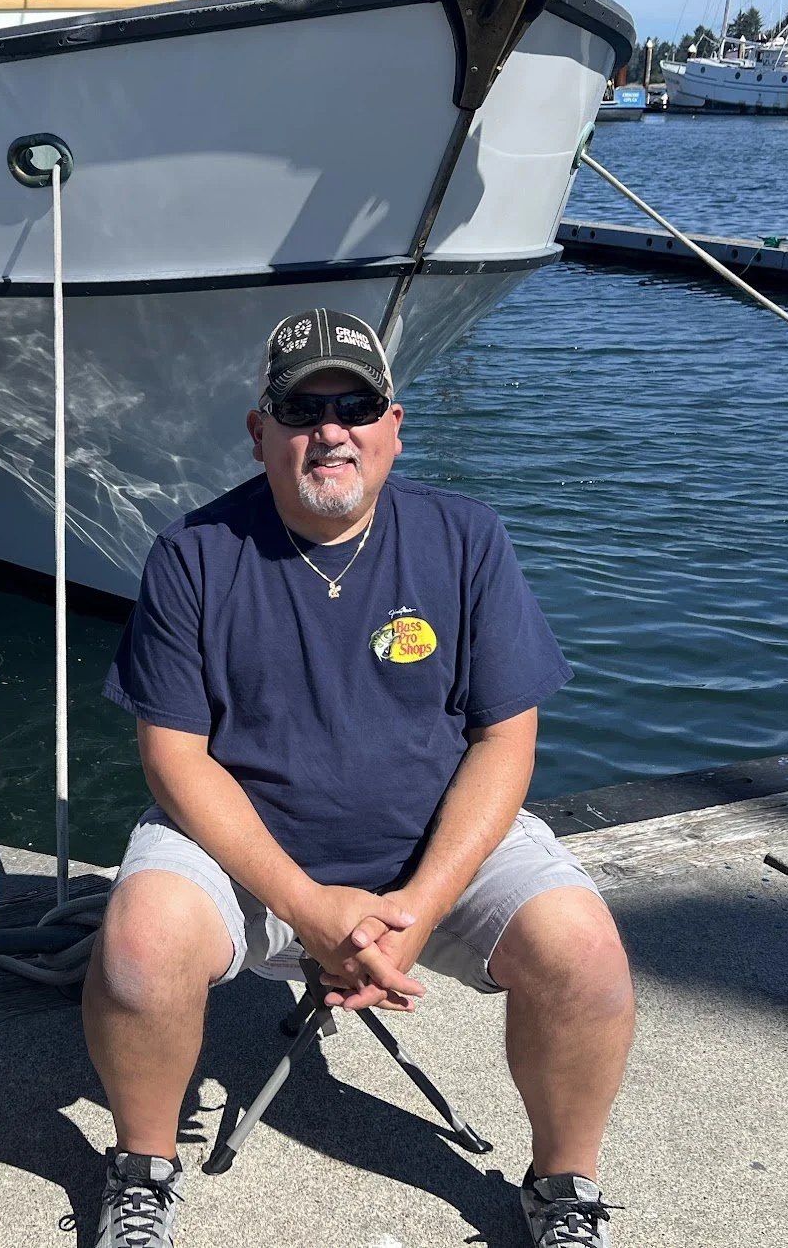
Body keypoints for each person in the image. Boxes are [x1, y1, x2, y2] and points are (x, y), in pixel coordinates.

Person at [81, 309, 636, 1248]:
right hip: (249, 854)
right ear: (261, 433)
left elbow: (506, 740)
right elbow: (173, 757)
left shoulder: (466, 538)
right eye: (303, 408)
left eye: (355, 405)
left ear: (394, 424)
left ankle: (564, 1187)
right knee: (138, 948)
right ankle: (141, 1172)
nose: (330, 430)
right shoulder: (192, 554)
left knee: (584, 954)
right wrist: (304, 904)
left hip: (434, 852)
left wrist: (419, 905)